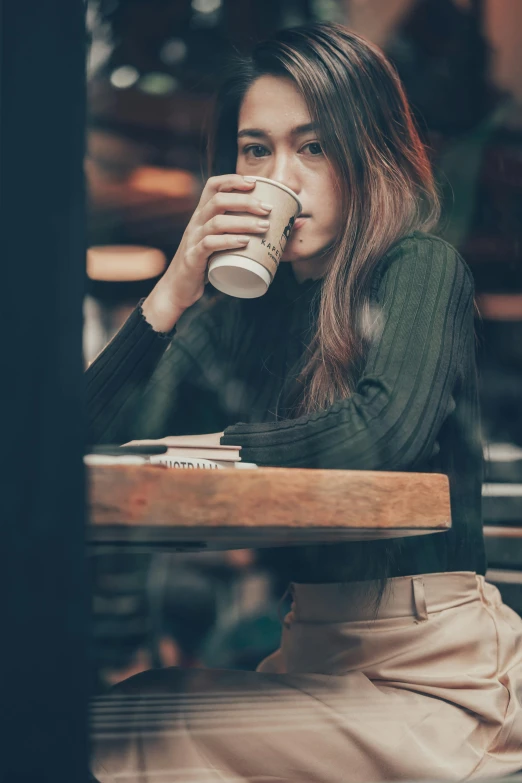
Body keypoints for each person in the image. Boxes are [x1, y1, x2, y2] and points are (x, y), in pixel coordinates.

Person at [89, 22, 522, 783]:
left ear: (366, 155)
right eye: (257, 149)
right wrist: (172, 291)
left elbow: (382, 432)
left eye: (313, 146)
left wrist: (216, 447)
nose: (280, 175)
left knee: (132, 726)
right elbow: (87, 444)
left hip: (442, 681)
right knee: (95, 716)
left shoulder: (418, 267)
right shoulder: (237, 316)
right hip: (314, 654)